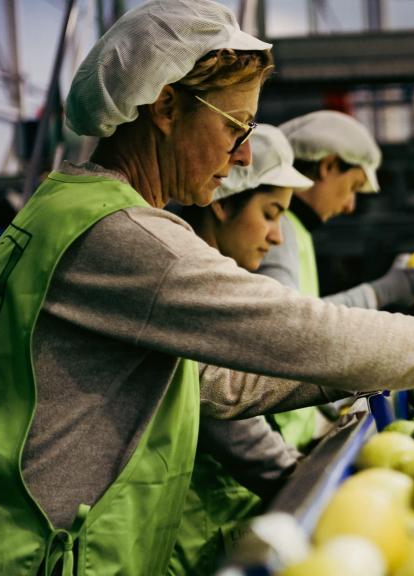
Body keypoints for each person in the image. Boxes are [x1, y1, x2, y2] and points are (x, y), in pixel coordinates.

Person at [0, 1, 414, 574]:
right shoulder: (125, 237)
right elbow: (298, 332)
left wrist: (402, 356)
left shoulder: (70, 211)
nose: (243, 156)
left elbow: (219, 384)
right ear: (164, 108)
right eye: (235, 128)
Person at [171, 124, 312, 574]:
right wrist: (303, 477)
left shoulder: (220, 279)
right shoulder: (185, 283)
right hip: (180, 540)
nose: (277, 239)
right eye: (270, 214)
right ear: (224, 203)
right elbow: (221, 407)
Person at [259, 110, 414, 312]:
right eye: (353, 186)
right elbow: (291, 318)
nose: (350, 206)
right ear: (328, 166)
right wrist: (381, 292)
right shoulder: (278, 229)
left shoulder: (296, 228)